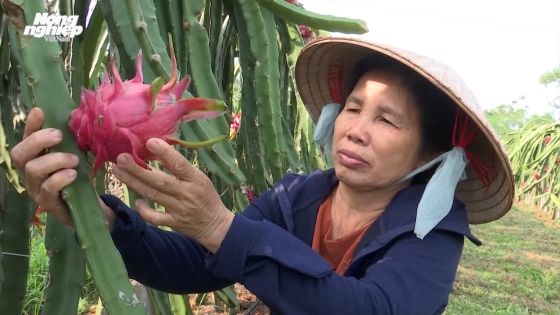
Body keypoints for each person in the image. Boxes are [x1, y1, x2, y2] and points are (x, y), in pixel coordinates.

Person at [10, 36, 514, 315]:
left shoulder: (432, 234)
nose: (356, 130)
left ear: (432, 154)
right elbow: (196, 265)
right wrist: (100, 219)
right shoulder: (297, 196)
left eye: (386, 120)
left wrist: (222, 228)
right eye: (353, 107)